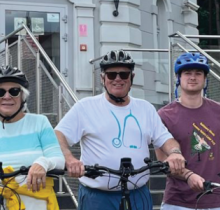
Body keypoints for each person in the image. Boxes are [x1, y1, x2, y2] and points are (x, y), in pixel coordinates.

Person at [55, 50, 186, 210]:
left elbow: (166, 139)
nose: (118, 79)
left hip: (138, 193)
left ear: (132, 78)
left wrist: (175, 153)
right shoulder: (85, 107)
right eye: (111, 75)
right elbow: (58, 135)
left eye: (124, 75)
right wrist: (70, 159)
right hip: (97, 197)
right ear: (103, 79)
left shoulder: (145, 108)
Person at [0, 66, 65, 209]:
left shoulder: (40, 123)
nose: (7, 96)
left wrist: (43, 163)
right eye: (0, 92)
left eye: (14, 91)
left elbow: (59, 160)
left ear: (23, 96)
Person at [156, 52, 220, 210]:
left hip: (215, 200)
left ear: (205, 78)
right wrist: (189, 175)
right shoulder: (164, 115)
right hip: (177, 201)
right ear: (179, 78)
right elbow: (163, 162)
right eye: (187, 73)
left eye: (198, 73)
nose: (193, 77)